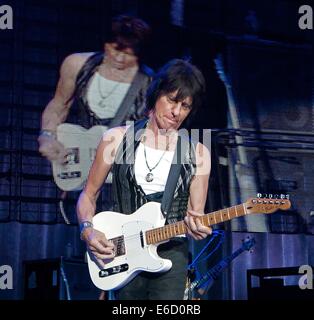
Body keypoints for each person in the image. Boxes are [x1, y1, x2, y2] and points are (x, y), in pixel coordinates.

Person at [76, 59, 212, 300]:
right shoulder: (116, 139)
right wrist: (88, 230)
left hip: (171, 255)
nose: (176, 112)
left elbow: (195, 215)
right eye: (171, 100)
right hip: (122, 250)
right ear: (156, 93)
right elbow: (89, 195)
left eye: (185, 106)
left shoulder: (198, 153)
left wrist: (198, 227)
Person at [38, 14, 153, 163]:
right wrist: (47, 136)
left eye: (128, 54)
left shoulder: (150, 83)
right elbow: (60, 104)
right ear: (105, 43)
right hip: (82, 164)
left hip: (124, 168)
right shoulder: (77, 65)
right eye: (115, 50)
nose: (119, 59)